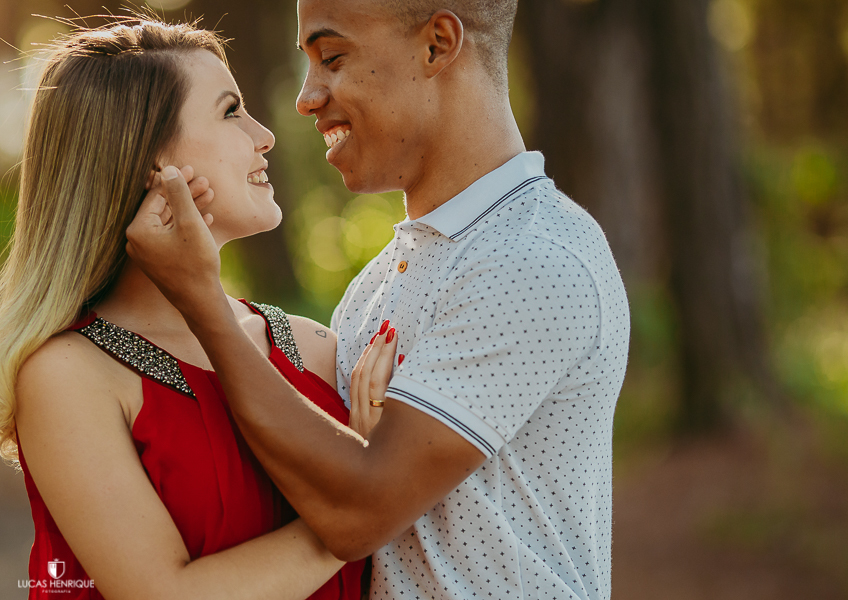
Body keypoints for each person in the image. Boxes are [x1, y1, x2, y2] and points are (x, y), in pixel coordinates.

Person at [126, 0, 630, 598]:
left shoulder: (534, 260)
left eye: (332, 58)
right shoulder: (377, 284)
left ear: (437, 44)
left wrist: (203, 301)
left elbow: (356, 513)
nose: (306, 97)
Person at [0, 17, 376, 600]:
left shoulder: (316, 347)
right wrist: (357, 516)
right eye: (230, 111)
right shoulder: (65, 376)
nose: (264, 134)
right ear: (148, 161)